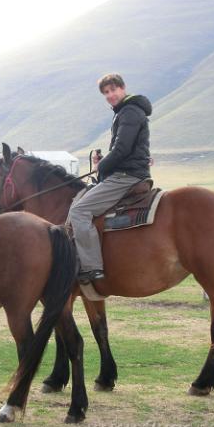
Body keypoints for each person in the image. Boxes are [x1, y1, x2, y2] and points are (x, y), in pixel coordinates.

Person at [69, 73, 153, 283]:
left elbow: (122, 149)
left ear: (123, 88)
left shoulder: (129, 112)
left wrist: (101, 166)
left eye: (113, 90)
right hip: (130, 171)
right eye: (106, 92)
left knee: (79, 211)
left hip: (127, 176)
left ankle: (92, 267)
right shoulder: (128, 111)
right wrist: (104, 161)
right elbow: (128, 148)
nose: (110, 95)